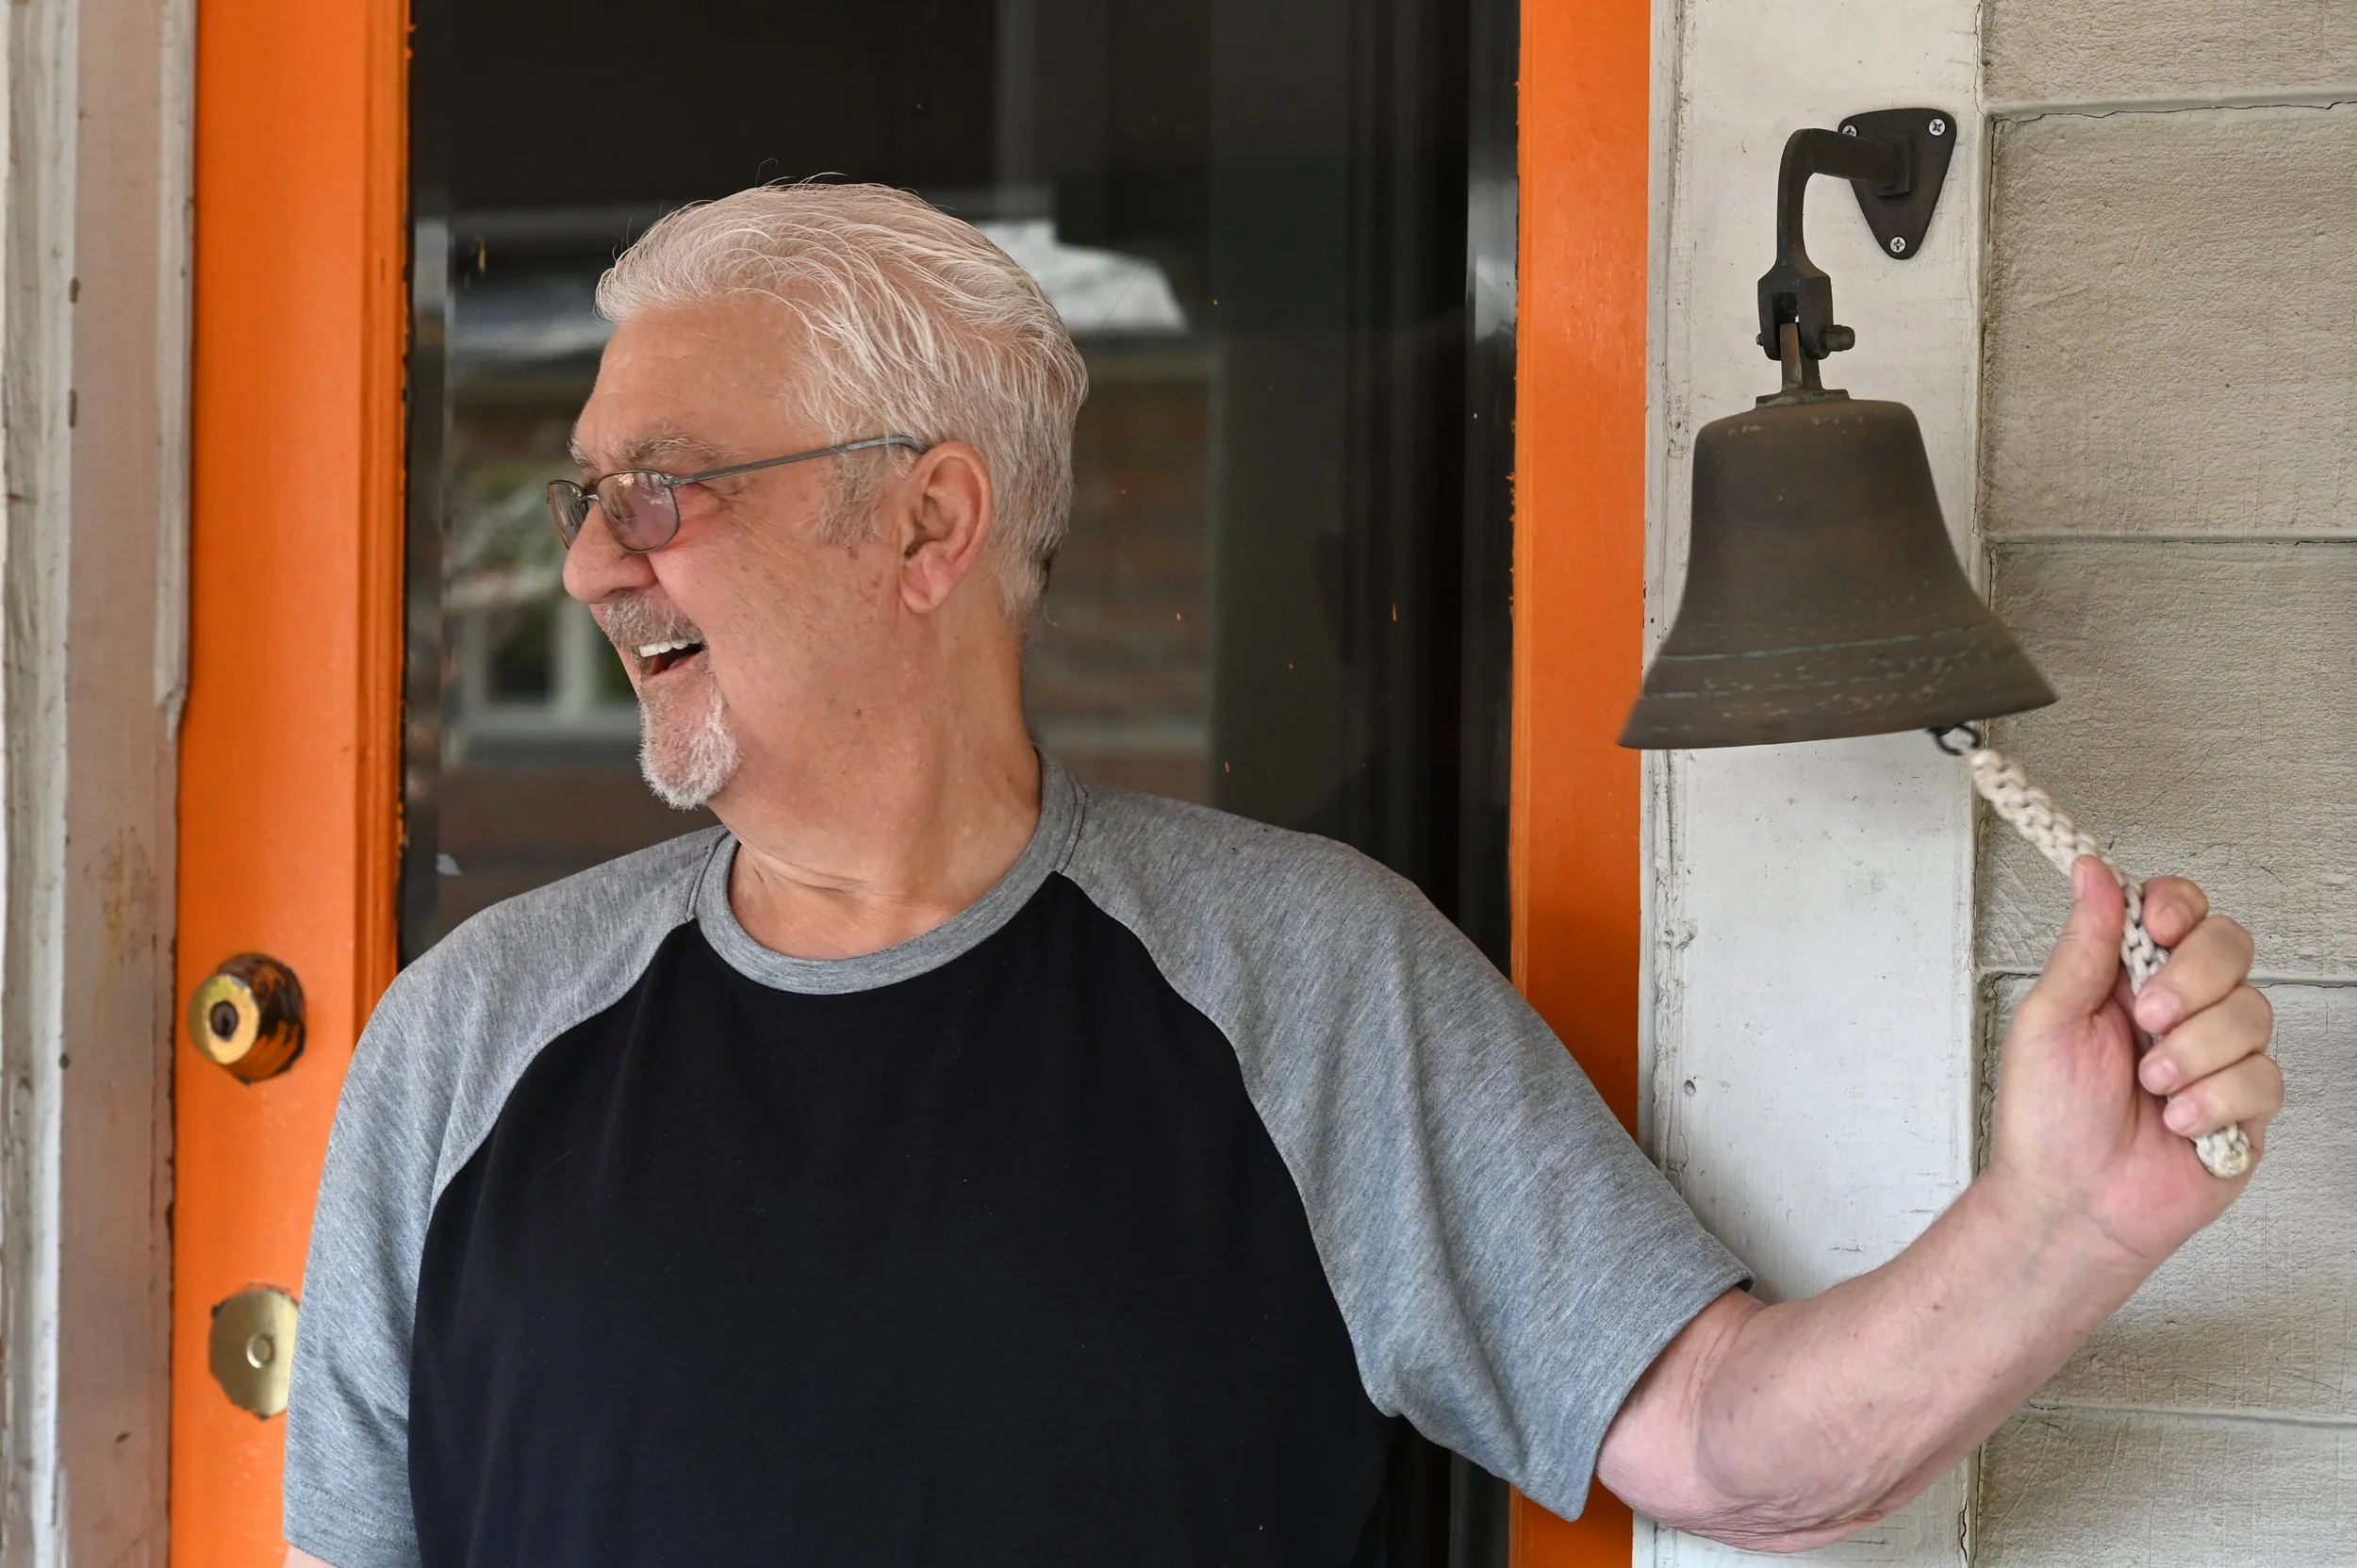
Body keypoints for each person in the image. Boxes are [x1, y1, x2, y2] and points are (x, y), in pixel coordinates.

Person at [282, 184, 2280, 1568]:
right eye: (586, 495)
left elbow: (1730, 1446)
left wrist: (2058, 1223)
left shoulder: (1299, 977)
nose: (589, 559)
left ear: (925, 522)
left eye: (660, 488)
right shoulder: (470, 1040)